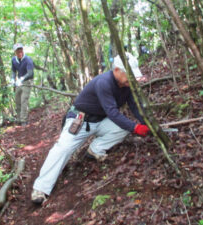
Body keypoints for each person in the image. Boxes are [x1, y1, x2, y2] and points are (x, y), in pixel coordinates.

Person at [31, 52, 150, 204]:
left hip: (101, 121)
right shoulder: (104, 82)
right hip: (80, 120)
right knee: (62, 149)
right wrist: (136, 127)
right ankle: (41, 188)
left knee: (122, 128)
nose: (131, 78)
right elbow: (112, 112)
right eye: (129, 74)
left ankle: (95, 150)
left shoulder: (127, 86)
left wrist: (145, 122)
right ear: (116, 71)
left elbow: (134, 105)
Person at [10, 43, 34, 126]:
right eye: (18, 51)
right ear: (15, 52)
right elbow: (13, 71)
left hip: (27, 81)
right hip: (19, 83)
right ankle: (19, 118)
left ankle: (24, 120)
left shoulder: (28, 59)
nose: (20, 52)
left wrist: (22, 79)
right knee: (17, 99)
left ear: (23, 50)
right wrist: (13, 79)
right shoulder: (14, 60)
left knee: (24, 100)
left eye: (21, 50)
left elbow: (30, 73)